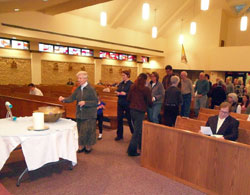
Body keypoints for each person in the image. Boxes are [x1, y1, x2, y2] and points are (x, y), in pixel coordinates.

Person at [59, 71, 98, 153]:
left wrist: (85, 103)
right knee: (80, 130)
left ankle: (88, 146)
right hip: (80, 113)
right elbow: (72, 98)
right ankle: (81, 146)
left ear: (85, 79)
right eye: (78, 78)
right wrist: (64, 99)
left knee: (88, 131)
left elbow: (95, 102)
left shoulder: (91, 89)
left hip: (89, 114)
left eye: (80, 78)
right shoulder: (78, 88)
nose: (78, 80)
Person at [127, 73, 152, 156]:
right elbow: (149, 102)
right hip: (140, 111)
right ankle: (131, 150)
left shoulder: (133, 87)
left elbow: (128, 98)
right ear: (145, 80)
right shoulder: (146, 89)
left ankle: (141, 146)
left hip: (132, 110)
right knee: (137, 131)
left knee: (138, 129)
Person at [115, 70, 134, 141]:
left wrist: (125, 94)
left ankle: (134, 134)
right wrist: (118, 92)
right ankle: (119, 135)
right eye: (122, 75)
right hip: (120, 103)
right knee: (119, 119)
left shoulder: (131, 84)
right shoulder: (121, 83)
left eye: (124, 75)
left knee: (129, 119)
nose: (122, 77)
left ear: (128, 76)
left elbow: (132, 94)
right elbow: (118, 90)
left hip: (127, 104)